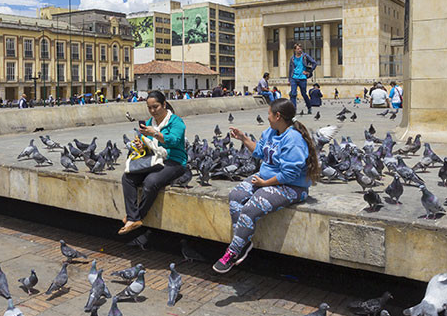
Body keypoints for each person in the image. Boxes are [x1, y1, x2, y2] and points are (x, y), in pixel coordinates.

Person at [213, 99, 319, 273]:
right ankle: (242, 242)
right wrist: (243, 138)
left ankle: (233, 252)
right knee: (235, 196)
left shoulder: (294, 139)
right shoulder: (271, 132)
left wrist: (264, 184)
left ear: (278, 116)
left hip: (292, 187)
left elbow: (289, 174)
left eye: (269, 113)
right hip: (266, 178)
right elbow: (260, 152)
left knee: (251, 207)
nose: (267, 117)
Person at [119, 91, 187, 235]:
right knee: (127, 178)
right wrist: (140, 145)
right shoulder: (149, 123)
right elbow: (148, 146)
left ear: (163, 104)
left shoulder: (176, 121)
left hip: (175, 161)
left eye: (155, 107)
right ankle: (133, 218)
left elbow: (174, 140)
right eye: (149, 108)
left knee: (151, 182)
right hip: (154, 160)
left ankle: (136, 217)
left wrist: (155, 133)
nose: (152, 111)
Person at [288, 43, 316, 113]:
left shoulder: (305, 56)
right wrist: (289, 80)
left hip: (302, 78)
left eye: (300, 48)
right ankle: (293, 110)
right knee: (293, 94)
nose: (300, 50)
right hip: (294, 78)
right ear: (295, 50)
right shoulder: (292, 58)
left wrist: (309, 71)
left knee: (304, 94)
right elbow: (290, 70)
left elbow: (314, 63)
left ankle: (309, 107)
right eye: (298, 49)